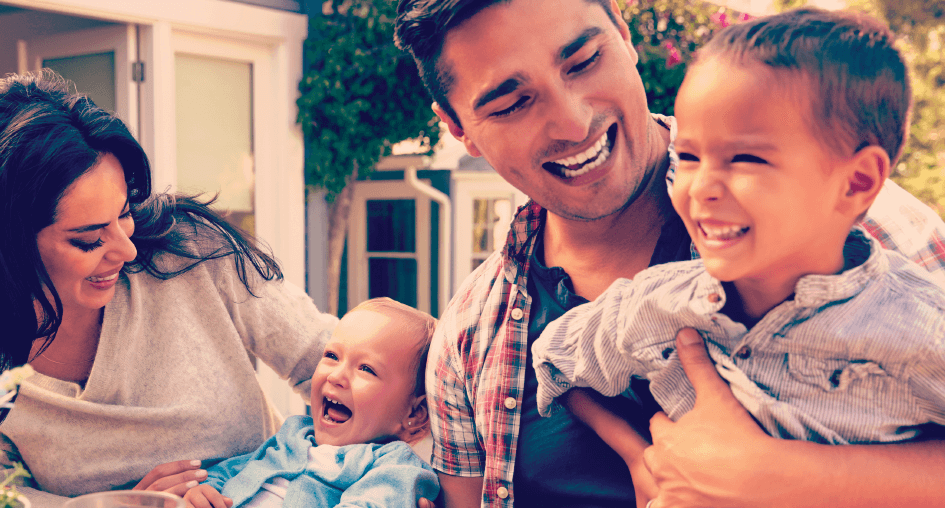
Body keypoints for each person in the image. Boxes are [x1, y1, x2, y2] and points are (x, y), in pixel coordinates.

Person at [392, 0, 945, 507]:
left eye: (584, 61)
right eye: (513, 104)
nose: (574, 122)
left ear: (623, 32)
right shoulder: (467, 334)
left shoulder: (859, 222)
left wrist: (778, 475)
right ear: (457, 127)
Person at [532, 7, 945, 447]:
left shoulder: (922, 330)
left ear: (855, 184)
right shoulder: (653, 305)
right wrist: (639, 456)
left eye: (746, 159)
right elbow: (554, 361)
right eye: (688, 157)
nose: (701, 188)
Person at [0, 70, 336, 508]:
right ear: (5, 248)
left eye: (124, 213)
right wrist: (123, 504)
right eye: (88, 239)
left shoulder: (194, 253)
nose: (124, 249)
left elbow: (335, 365)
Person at [183, 298, 440, 508]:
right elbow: (233, 471)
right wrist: (206, 491)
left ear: (415, 414)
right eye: (331, 355)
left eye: (366, 369)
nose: (336, 375)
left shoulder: (394, 465)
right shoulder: (293, 436)